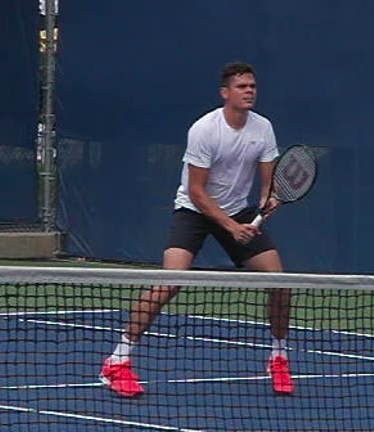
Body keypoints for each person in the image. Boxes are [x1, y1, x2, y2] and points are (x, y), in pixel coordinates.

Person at [99, 61, 294, 397]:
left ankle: (278, 357)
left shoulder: (263, 128)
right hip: (194, 210)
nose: (249, 91)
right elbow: (197, 191)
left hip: (239, 210)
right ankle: (117, 361)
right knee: (169, 283)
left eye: (252, 86)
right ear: (225, 93)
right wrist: (231, 227)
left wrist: (268, 199)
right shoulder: (204, 130)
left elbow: (266, 184)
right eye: (242, 86)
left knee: (280, 282)